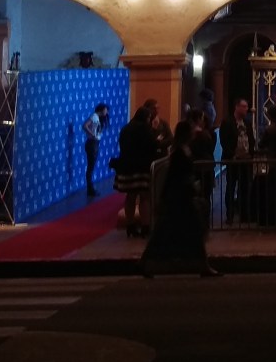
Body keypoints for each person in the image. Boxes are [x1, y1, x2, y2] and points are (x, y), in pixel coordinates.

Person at [141, 119, 222, 278]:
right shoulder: (180, 152)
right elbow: (176, 176)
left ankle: (147, 262)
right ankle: (202, 265)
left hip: (180, 197)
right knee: (175, 232)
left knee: (165, 232)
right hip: (180, 198)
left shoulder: (182, 150)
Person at [115, 99, 160, 237]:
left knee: (130, 196)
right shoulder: (145, 129)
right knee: (144, 197)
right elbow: (152, 146)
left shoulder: (126, 128)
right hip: (142, 168)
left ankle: (130, 226)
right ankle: (145, 227)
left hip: (126, 167)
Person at [219, 98, 254, 224]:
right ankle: (230, 215)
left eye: (246, 107)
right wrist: (231, 154)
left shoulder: (247, 122)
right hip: (233, 160)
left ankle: (244, 214)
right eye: (243, 106)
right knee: (231, 187)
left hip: (246, 160)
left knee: (244, 188)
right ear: (237, 107)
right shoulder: (227, 122)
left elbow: (251, 138)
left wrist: (250, 153)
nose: (246, 109)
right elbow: (224, 140)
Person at [82, 103, 107, 198]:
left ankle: (90, 189)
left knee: (91, 167)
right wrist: (92, 134)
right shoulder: (94, 116)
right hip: (92, 143)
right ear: (101, 110)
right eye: (105, 110)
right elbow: (85, 126)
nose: (106, 112)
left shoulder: (98, 118)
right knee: (90, 167)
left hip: (95, 143)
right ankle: (90, 189)